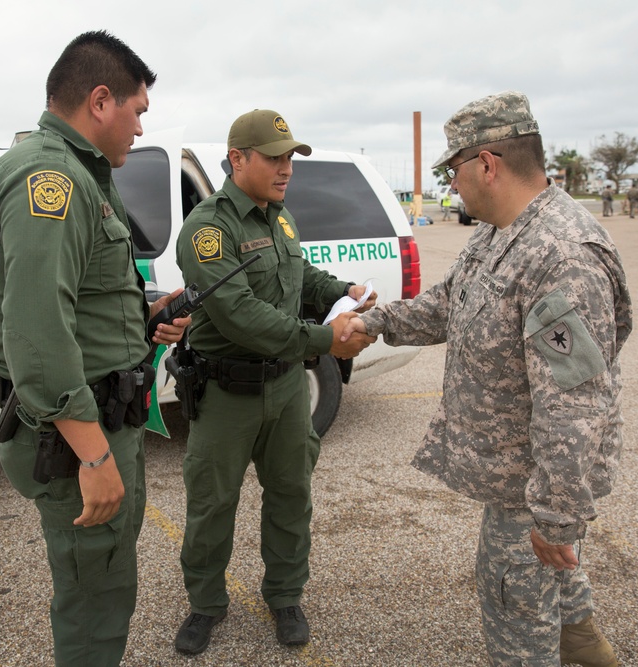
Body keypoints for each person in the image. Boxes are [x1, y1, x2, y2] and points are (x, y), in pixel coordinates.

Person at [342, 91, 630, 667]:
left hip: (534, 488)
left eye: (454, 169)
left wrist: (555, 515)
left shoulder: (561, 256)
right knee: (553, 584)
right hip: (518, 476)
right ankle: (583, 643)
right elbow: (450, 304)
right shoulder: (500, 231)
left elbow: (574, 407)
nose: (453, 184)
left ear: (488, 164)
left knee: (515, 615)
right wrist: (374, 321)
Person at [0, 31, 190, 666]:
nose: (141, 128)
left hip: (89, 422)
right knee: (95, 599)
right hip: (75, 438)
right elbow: (37, 332)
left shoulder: (75, 173)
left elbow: (74, 302)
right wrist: (94, 458)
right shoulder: (53, 178)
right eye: (138, 110)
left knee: (98, 587)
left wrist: (141, 316)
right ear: (100, 101)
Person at [171, 109, 377, 655]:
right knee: (212, 504)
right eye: (275, 157)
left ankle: (285, 594)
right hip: (225, 394)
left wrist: (342, 290)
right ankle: (206, 604)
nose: (287, 168)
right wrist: (324, 339)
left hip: (286, 390)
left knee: (291, 495)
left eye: (291, 157)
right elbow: (239, 314)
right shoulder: (209, 229)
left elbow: (300, 276)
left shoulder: (279, 217)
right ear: (238, 159)